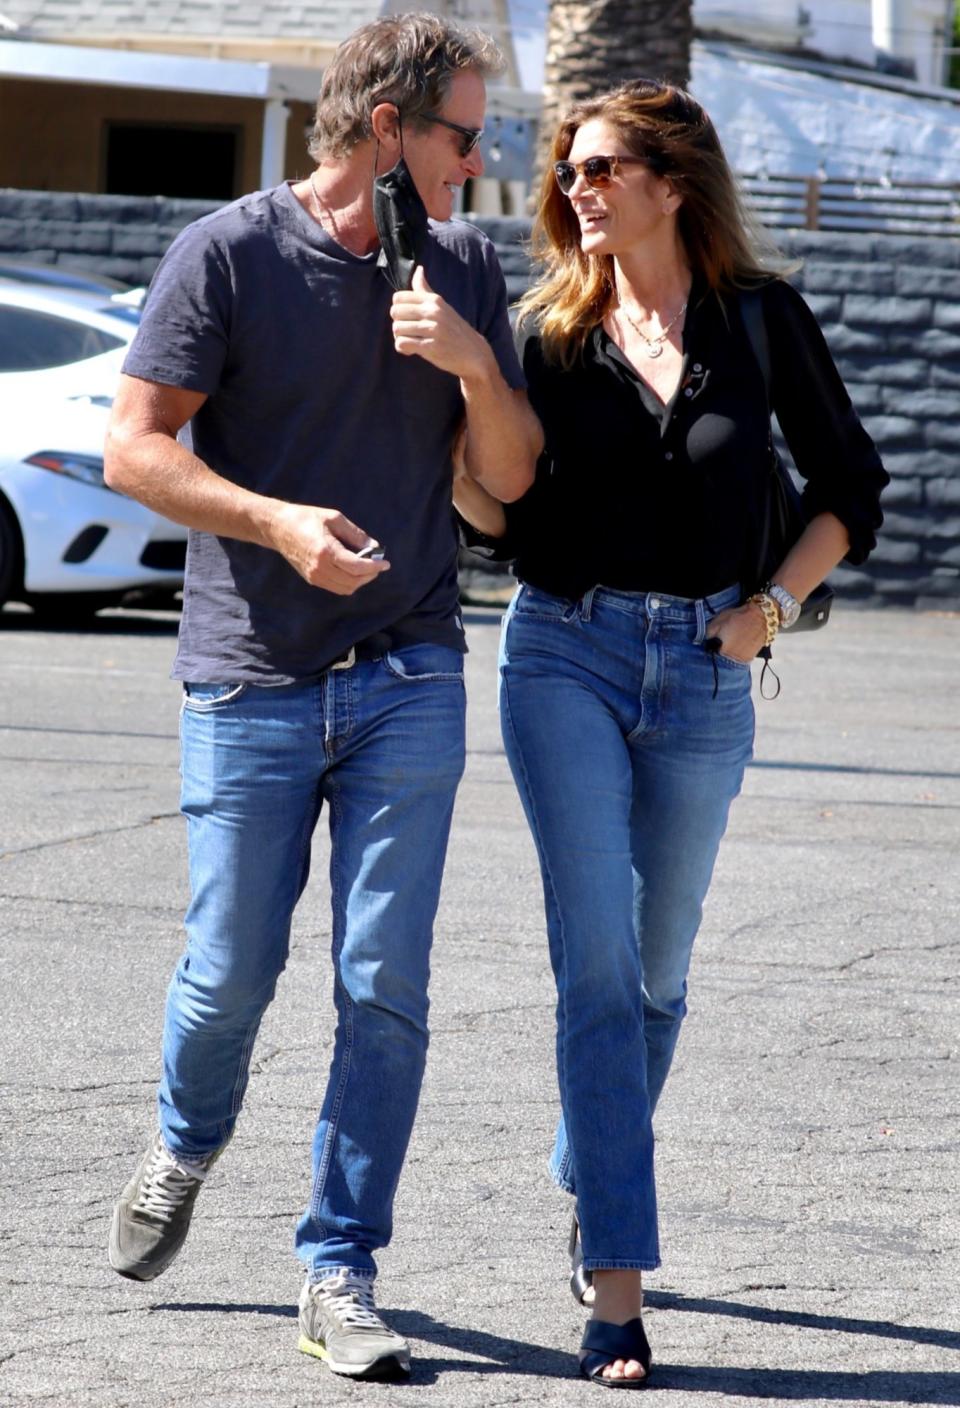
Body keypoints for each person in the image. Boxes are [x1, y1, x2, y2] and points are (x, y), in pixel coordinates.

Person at [104, 12, 541, 1382]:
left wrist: (472, 360)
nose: (480, 163)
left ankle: (341, 1267)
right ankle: (185, 1141)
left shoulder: (468, 266)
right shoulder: (227, 254)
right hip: (250, 677)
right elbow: (135, 452)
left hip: (410, 670)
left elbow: (513, 484)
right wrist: (278, 524)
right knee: (230, 969)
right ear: (385, 130)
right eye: (464, 137)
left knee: (384, 983)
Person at [454, 79, 887, 1388]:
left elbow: (851, 488)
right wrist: (457, 417)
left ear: (673, 182)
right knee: (594, 967)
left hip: (706, 666)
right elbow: (501, 524)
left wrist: (769, 610)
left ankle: (592, 1158)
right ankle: (617, 1289)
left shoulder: (760, 321)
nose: (574, 191)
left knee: (653, 970)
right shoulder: (542, 329)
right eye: (569, 172)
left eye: (600, 170)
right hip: (564, 654)